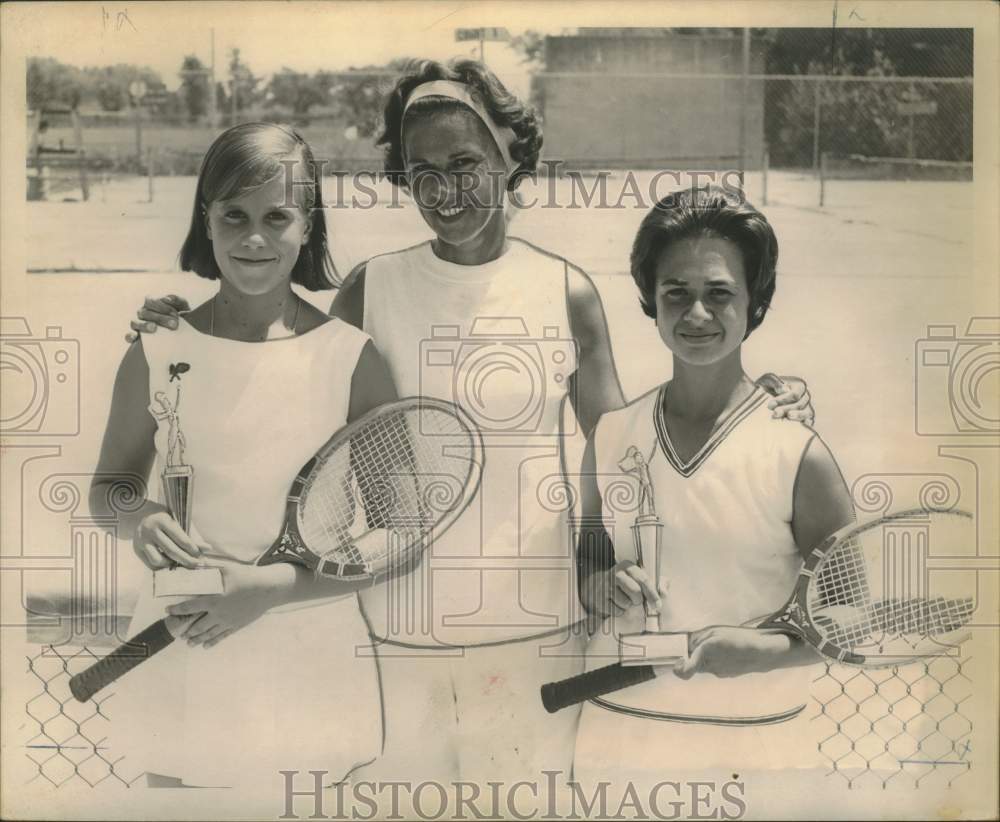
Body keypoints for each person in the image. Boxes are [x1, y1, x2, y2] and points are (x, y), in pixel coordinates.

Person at [122, 60, 814, 797]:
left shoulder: (565, 290)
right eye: (422, 170)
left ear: (512, 158)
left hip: (536, 640)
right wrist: (181, 325)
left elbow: (627, 448)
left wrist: (747, 401)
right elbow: (284, 372)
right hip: (391, 638)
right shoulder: (371, 287)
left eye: (466, 163)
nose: (444, 190)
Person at [90, 123, 397, 790]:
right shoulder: (158, 347)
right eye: (233, 215)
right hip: (184, 643)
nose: (254, 238)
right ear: (207, 220)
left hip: (308, 649)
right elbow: (109, 489)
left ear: (308, 225)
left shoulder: (351, 357)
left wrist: (270, 589)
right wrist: (138, 519)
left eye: (276, 216)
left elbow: (399, 536)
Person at [572, 186, 855, 790]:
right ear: (650, 299)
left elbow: (853, 616)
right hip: (621, 735)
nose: (696, 313)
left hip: (756, 748)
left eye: (719, 293)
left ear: (756, 303)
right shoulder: (612, 434)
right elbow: (589, 558)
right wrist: (600, 586)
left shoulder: (798, 452)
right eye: (676, 292)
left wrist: (770, 650)